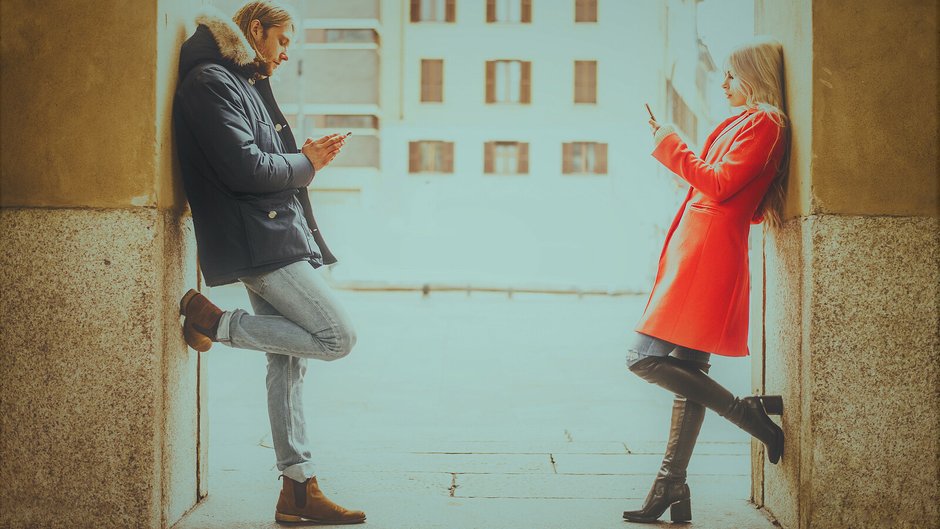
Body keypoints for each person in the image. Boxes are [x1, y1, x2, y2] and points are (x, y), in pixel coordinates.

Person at [173, 1, 365, 525]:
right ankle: (216, 321)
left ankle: (297, 491)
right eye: (281, 42)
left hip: (271, 232)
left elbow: (258, 162)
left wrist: (302, 159)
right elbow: (245, 170)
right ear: (255, 31)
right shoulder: (212, 82)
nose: (284, 55)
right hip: (259, 241)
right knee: (336, 337)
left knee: (287, 362)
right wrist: (308, 163)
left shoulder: (238, 81)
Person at [622, 37, 790, 524]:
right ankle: (671, 484)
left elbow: (717, 184)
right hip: (703, 252)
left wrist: (670, 142)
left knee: (642, 358)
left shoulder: (764, 124)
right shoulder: (751, 123)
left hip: (706, 258)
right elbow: (741, 197)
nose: (724, 83)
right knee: (687, 379)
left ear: (756, 77)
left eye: (733, 76)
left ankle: (747, 415)